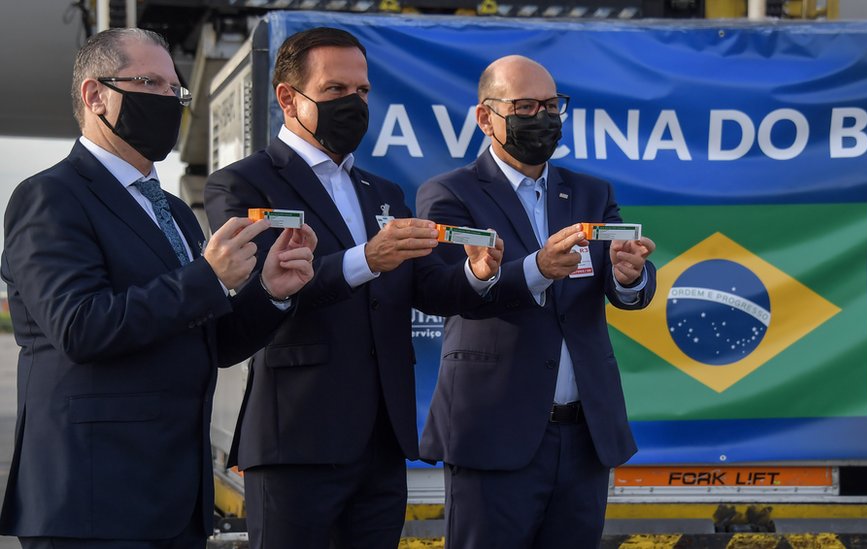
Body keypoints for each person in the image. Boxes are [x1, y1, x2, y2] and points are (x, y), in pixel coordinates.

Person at [0, 28, 317, 548]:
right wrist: (207, 277)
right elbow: (81, 328)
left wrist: (270, 291)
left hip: (173, 499)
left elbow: (209, 341)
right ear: (94, 95)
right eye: (149, 83)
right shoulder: (49, 198)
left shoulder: (172, 212)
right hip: (94, 499)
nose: (168, 101)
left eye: (176, 90)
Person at [204, 27, 503, 548]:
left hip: (381, 440)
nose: (354, 103)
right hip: (297, 439)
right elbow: (267, 288)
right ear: (287, 98)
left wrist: (476, 272)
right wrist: (365, 259)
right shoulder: (243, 184)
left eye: (362, 92)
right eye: (336, 91)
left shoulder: (382, 191)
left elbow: (424, 289)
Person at [417, 54, 657, 548]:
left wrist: (630, 277)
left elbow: (620, 283)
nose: (542, 117)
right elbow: (441, 290)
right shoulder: (450, 194)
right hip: (492, 432)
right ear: (486, 117)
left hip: (583, 437)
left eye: (551, 105)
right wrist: (534, 270)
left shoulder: (591, 192)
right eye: (525, 105)